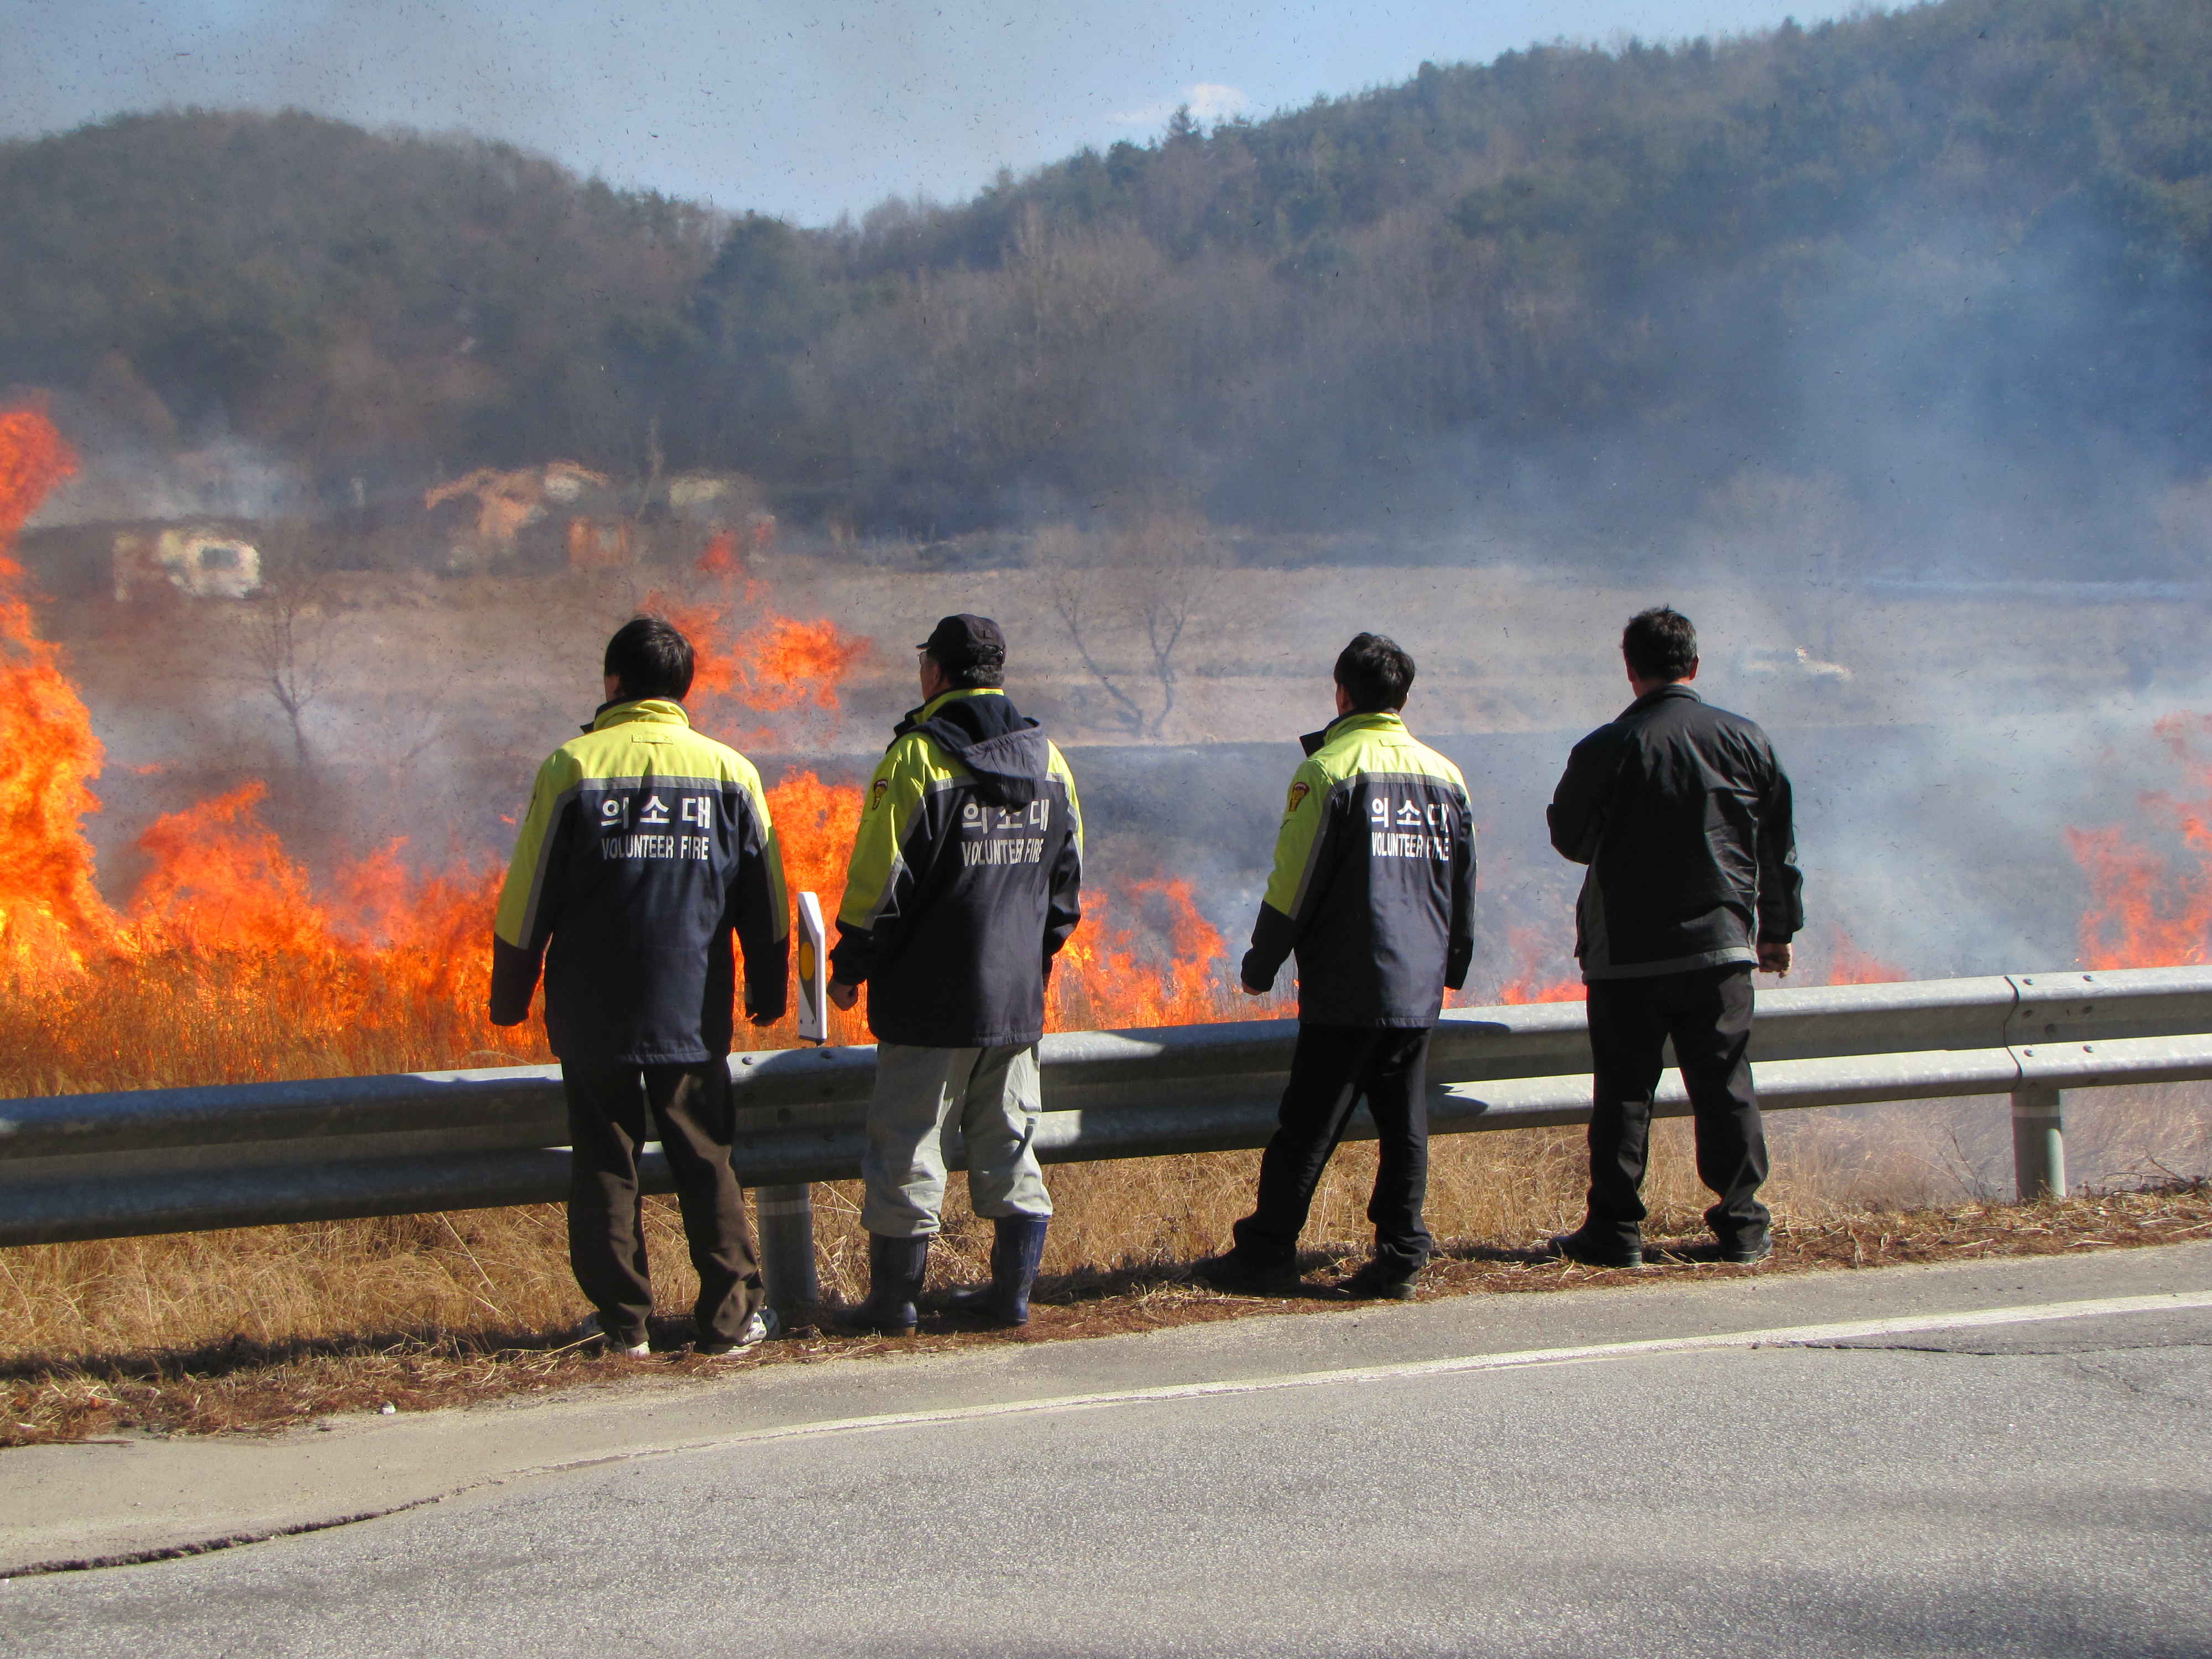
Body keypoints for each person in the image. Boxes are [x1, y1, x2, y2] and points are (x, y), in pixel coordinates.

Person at [489, 615, 790, 1357]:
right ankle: (730, 1320)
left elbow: (528, 895)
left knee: (605, 1161)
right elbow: (766, 897)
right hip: (691, 1004)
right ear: (683, 687)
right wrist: (768, 987)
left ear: (614, 682)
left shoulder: (571, 767)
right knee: (706, 1156)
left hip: (594, 1009)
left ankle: (624, 1326)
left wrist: (510, 994)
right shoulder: (732, 773)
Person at [1195, 632, 1476, 1301]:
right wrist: (1454, 962)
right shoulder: (1446, 775)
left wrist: (1261, 963)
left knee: (1309, 1123)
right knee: (1404, 1122)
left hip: (1349, 981)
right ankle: (1402, 1254)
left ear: (1342, 693)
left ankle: (1266, 1251)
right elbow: (1462, 883)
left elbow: (1294, 882)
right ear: (1402, 697)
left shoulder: (1326, 771)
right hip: (1417, 983)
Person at [826, 614, 1083, 1335]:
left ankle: (894, 1304)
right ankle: (1012, 1297)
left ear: (935, 673)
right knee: (1012, 1144)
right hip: (1014, 1002)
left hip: (928, 1000)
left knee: (910, 1146)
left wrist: (850, 966)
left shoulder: (916, 758)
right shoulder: (1051, 762)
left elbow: (880, 881)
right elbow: (1067, 888)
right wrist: (1033, 961)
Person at [1544, 605, 1803, 1269]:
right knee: (1725, 1085)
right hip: (1720, 949)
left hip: (1627, 954)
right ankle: (1742, 1226)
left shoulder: (1605, 747)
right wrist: (1776, 931)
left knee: (1625, 1094)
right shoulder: (1747, 740)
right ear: (1694, 665)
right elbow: (1776, 848)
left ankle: (1615, 1231)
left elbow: (1570, 839)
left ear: (1629, 669)